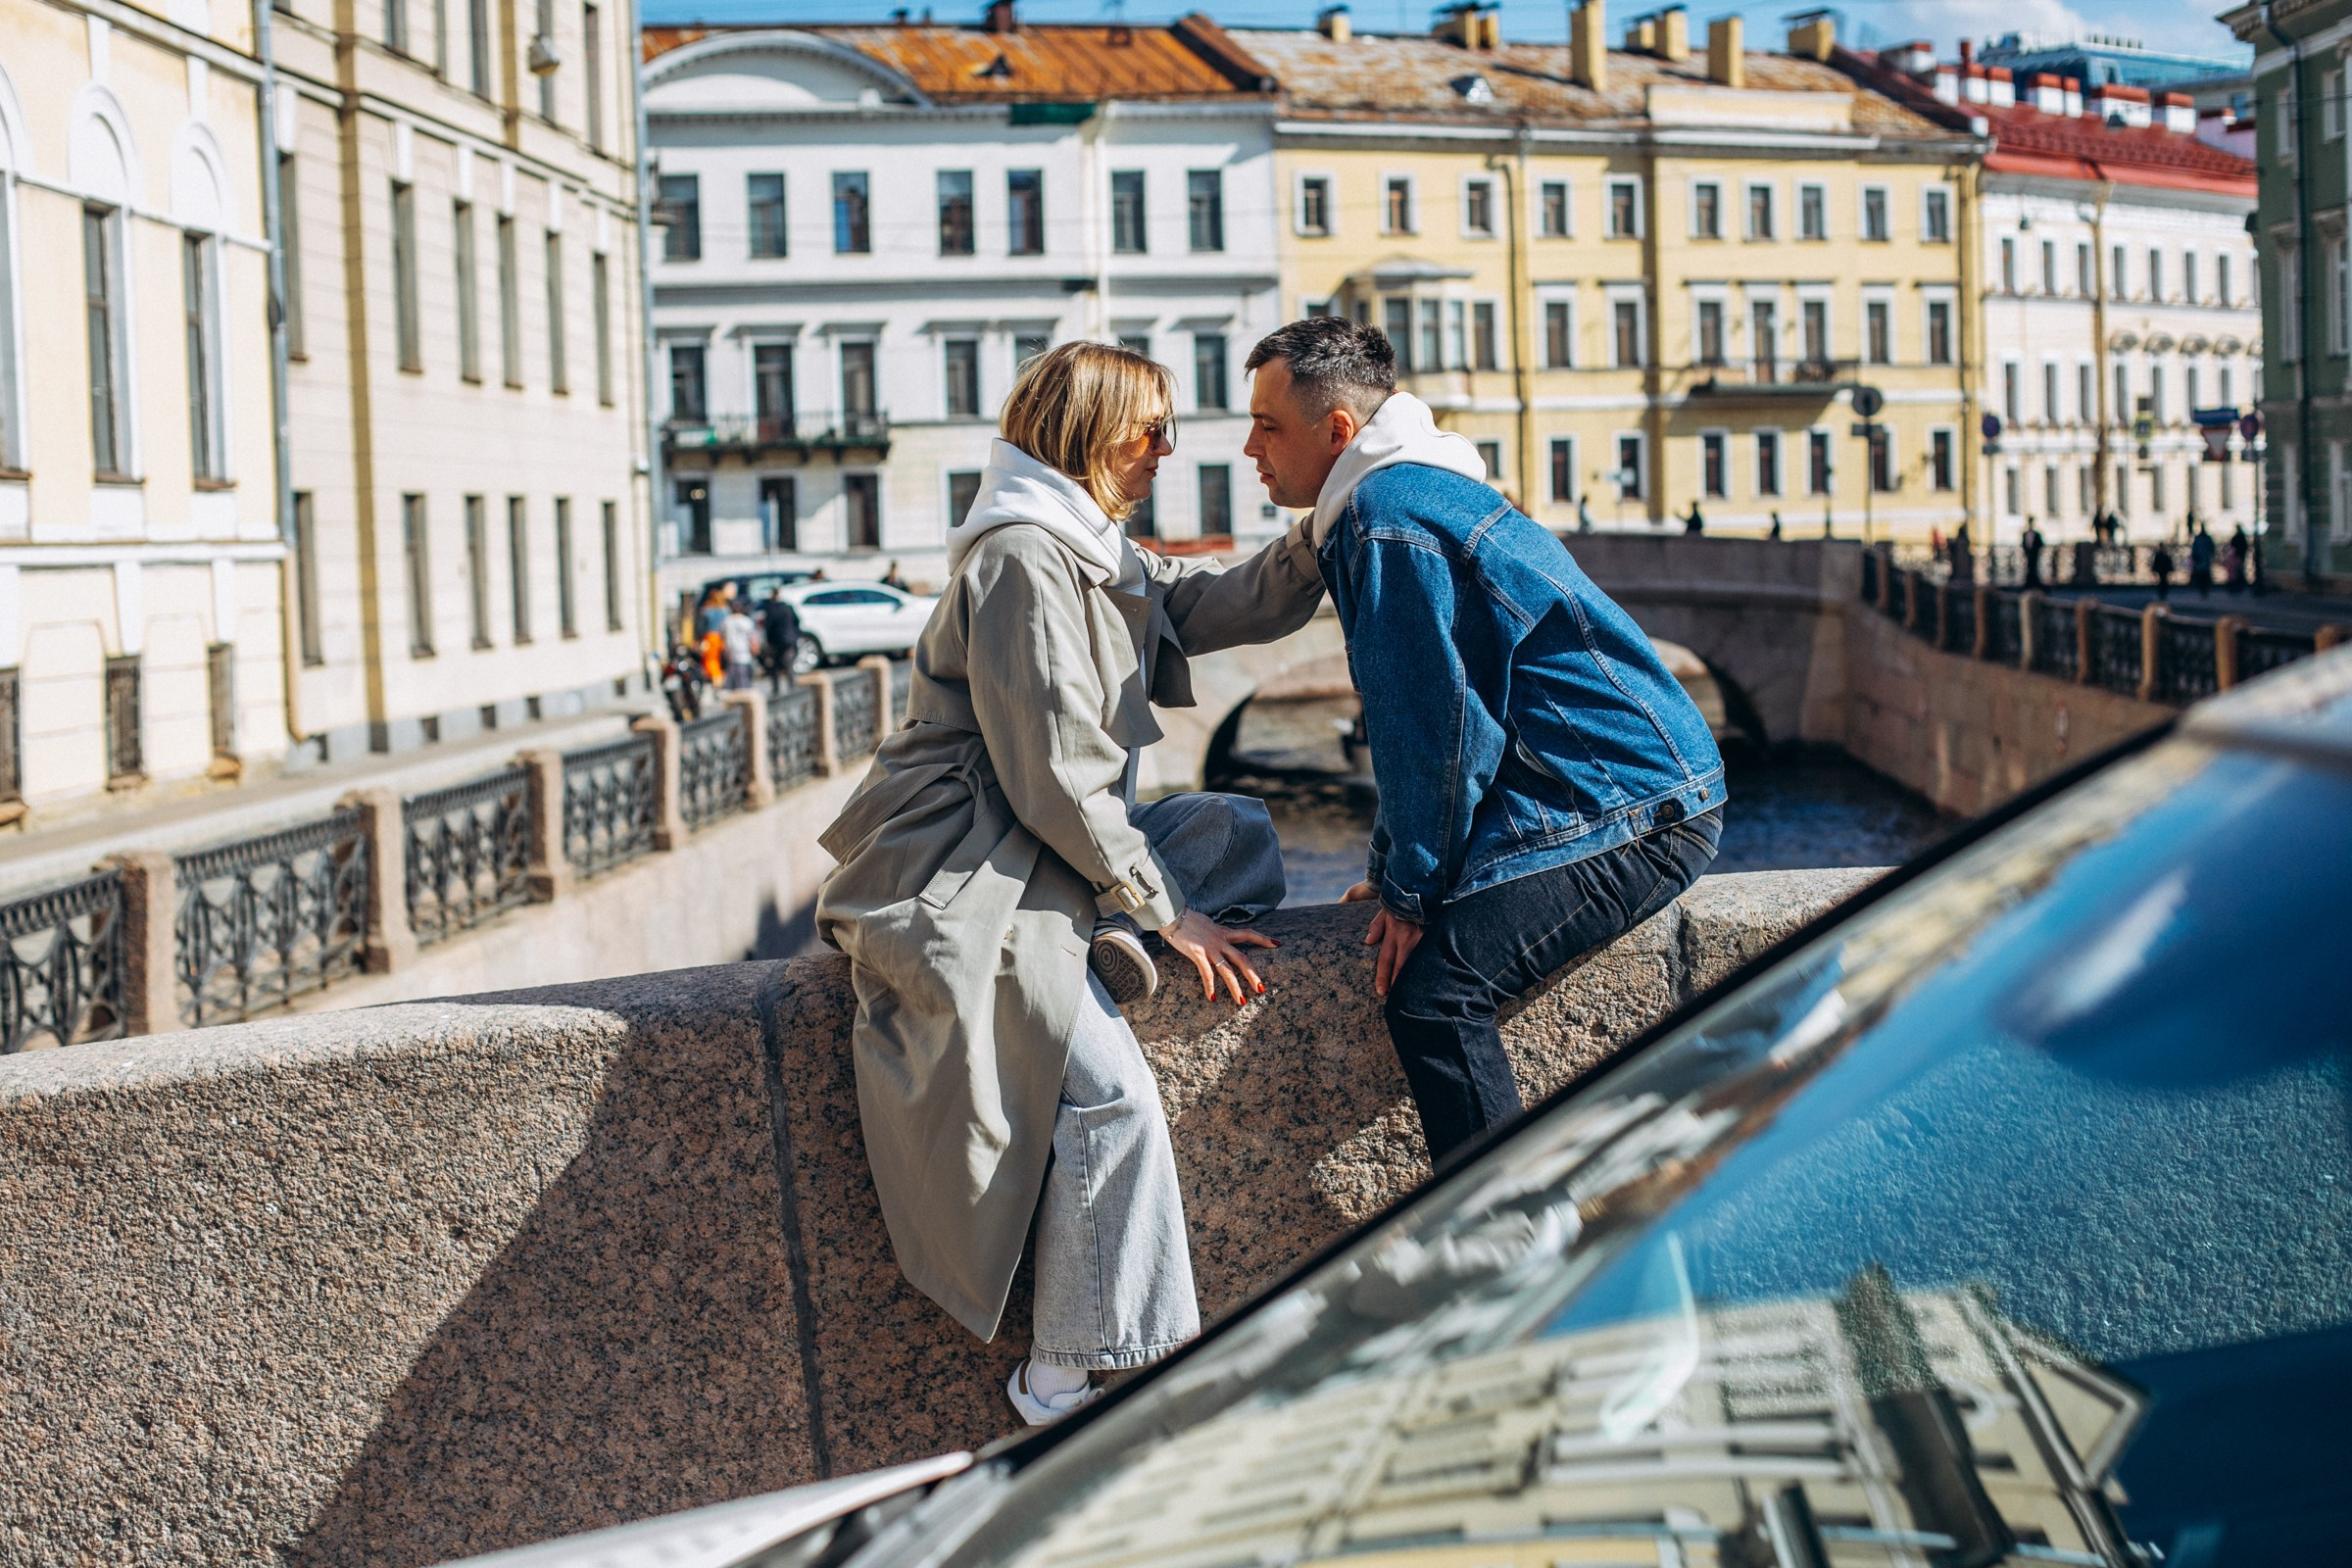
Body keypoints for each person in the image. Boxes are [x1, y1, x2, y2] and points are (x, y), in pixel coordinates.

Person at [814, 341, 1325, 1429]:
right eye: (1149, 429)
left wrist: (1345, 518)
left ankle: (1101, 931)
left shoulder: (1094, 548)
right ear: (1089, 433)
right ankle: (1060, 1380)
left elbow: (1223, 598)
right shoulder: (1021, 561)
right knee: (1110, 1097)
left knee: (1231, 827)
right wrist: (1166, 910)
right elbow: (1053, 774)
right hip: (964, 868)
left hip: (1047, 852)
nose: (1166, 450)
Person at [1240, 317, 1724, 1171]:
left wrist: (1412, 893)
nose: (1250, 447)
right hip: (1620, 786)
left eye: (1267, 425)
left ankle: (1507, 1244)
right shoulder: (1409, 492)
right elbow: (1421, 722)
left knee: (1434, 1002)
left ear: (1339, 432)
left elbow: (1436, 731)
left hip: (1629, 804)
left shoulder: (1388, 522)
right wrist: (1398, 873)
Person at [759, 587, 802, 690]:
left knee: (776, 666)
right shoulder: (787, 607)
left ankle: (777, 689)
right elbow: (797, 621)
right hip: (789, 639)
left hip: (777, 641)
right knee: (789, 665)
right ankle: (792, 687)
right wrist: (796, 634)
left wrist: (768, 642)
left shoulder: (771, 609)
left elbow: (768, 627)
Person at [719, 597, 759, 690]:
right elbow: (753, 638)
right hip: (743, 653)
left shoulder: (726, 621)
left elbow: (723, 638)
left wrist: (724, 651)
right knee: (744, 680)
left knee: (733, 681)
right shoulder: (746, 621)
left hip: (732, 653)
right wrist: (755, 648)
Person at [2188, 522, 2216, 596]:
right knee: (2202, 576)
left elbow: (2211, 548)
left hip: (2203, 560)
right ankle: (2203, 590)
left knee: (2203, 576)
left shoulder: (2201, 539)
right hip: (2202, 560)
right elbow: (2212, 549)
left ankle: (2204, 590)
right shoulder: (2203, 538)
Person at [2021, 519, 2046, 588]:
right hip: (2028, 554)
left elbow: (2041, 544)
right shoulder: (2025, 534)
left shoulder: (2036, 534)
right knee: (2030, 568)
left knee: (2033, 568)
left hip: (2034, 554)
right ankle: (2031, 583)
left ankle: (2032, 583)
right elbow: (2023, 544)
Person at [2225, 524, 2250, 593]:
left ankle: (2236, 585)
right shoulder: (2241, 537)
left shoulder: (2237, 537)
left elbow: (2232, 546)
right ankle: (2238, 585)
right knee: (2238, 571)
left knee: (2236, 571)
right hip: (2238, 556)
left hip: (2237, 556)